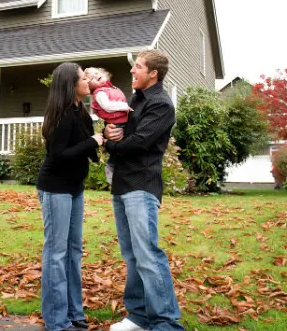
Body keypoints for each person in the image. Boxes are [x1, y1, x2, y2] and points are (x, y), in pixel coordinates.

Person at [103, 50, 184, 331]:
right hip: (122, 184)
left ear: (153, 74)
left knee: (148, 254)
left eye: (138, 67)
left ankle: (166, 322)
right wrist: (109, 133)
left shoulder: (161, 105)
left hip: (142, 185)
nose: (132, 71)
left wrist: (111, 144)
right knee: (131, 255)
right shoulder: (134, 101)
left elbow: (138, 142)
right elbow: (117, 130)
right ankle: (138, 315)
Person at [36, 62, 104, 331]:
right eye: (82, 78)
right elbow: (60, 155)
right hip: (56, 188)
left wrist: (105, 138)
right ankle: (56, 320)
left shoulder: (80, 111)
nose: (87, 80)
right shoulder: (62, 115)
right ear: (71, 85)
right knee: (56, 253)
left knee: (74, 252)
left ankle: (74, 312)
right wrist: (94, 142)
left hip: (75, 187)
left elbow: (86, 145)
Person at [84, 67, 132, 184]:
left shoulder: (111, 88)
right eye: (92, 78)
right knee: (119, 145)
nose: (95, 76)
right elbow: (107, 106)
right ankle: (111, 166)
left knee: (122, 144)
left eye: (97, 73)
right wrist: (124, 107)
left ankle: (116, 166)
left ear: (104, 73)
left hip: (121, 119)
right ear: (90, 86)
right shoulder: (100, 93)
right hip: (116, 122)